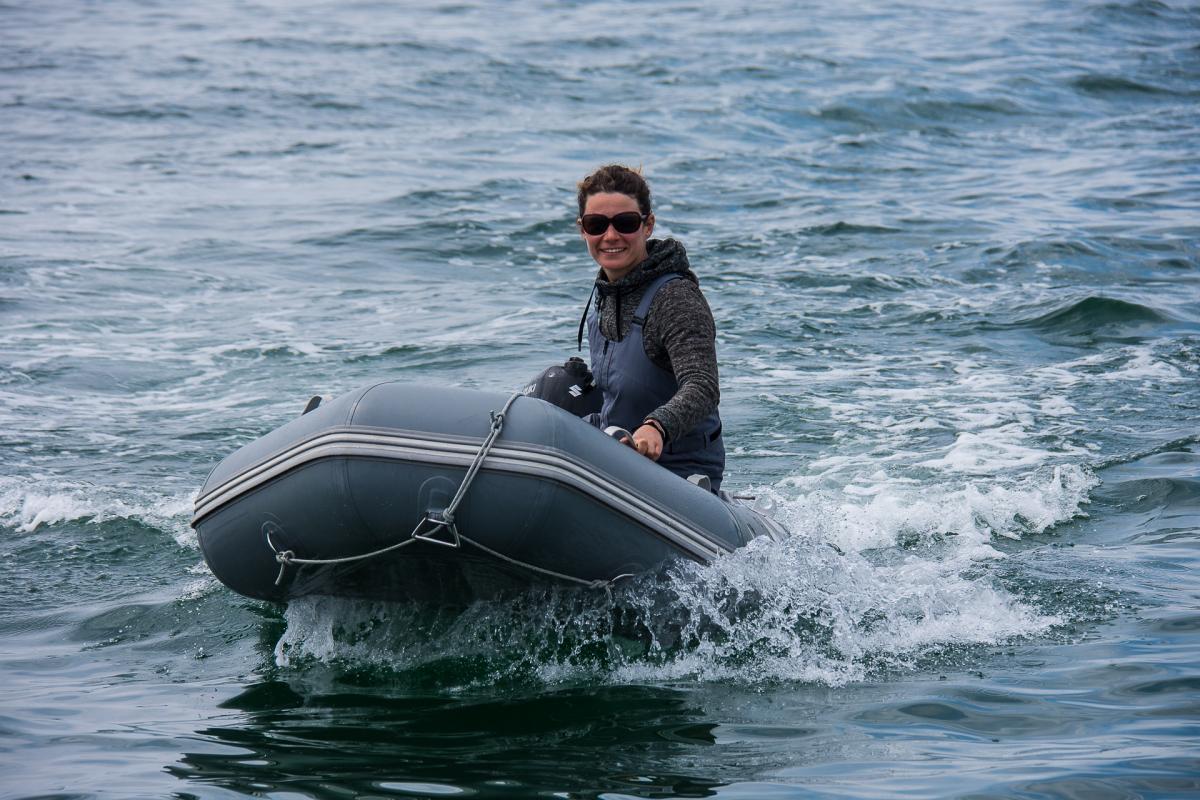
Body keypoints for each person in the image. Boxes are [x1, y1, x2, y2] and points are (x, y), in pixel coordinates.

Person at [574, 164, 725, 492]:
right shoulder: (605, 296)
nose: (610, 236)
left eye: (625, 223)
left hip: (676, 475)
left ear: (648, 225)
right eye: (597, 224)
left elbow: (702, 386)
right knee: (556, 385)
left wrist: (658, 426)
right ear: (582, 229)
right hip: (615, 458)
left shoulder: (675, 298)